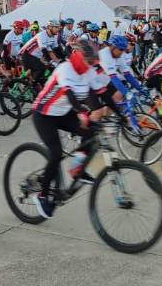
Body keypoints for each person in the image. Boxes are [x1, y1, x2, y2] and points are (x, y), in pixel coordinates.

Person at [31, 40, 117, 219]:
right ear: (77, 56)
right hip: (44, 114)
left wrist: (122, 115)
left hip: (62, 113)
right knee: (55, 153)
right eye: (88, 61)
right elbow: (69, 94)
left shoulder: (88, 72)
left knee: (92, 131)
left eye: (92, 62)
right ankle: (42, 195)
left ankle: (76, 168)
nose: (91, 65)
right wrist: (80, 112)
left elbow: (104, 95)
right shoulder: (65, 69)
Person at [19, 20, 60, 87]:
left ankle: (33, 83)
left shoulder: (54, 36)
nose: (58, 29)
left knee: (47, 70)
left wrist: (62, 60)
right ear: (50, 27)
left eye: (58, 27)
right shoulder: (42, 35)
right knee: (41, 68)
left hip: (36, 56)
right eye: (56, 27)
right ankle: (31, 86)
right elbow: (44, 50)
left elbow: (54, 50)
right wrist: (50, 61)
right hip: (26, 54)